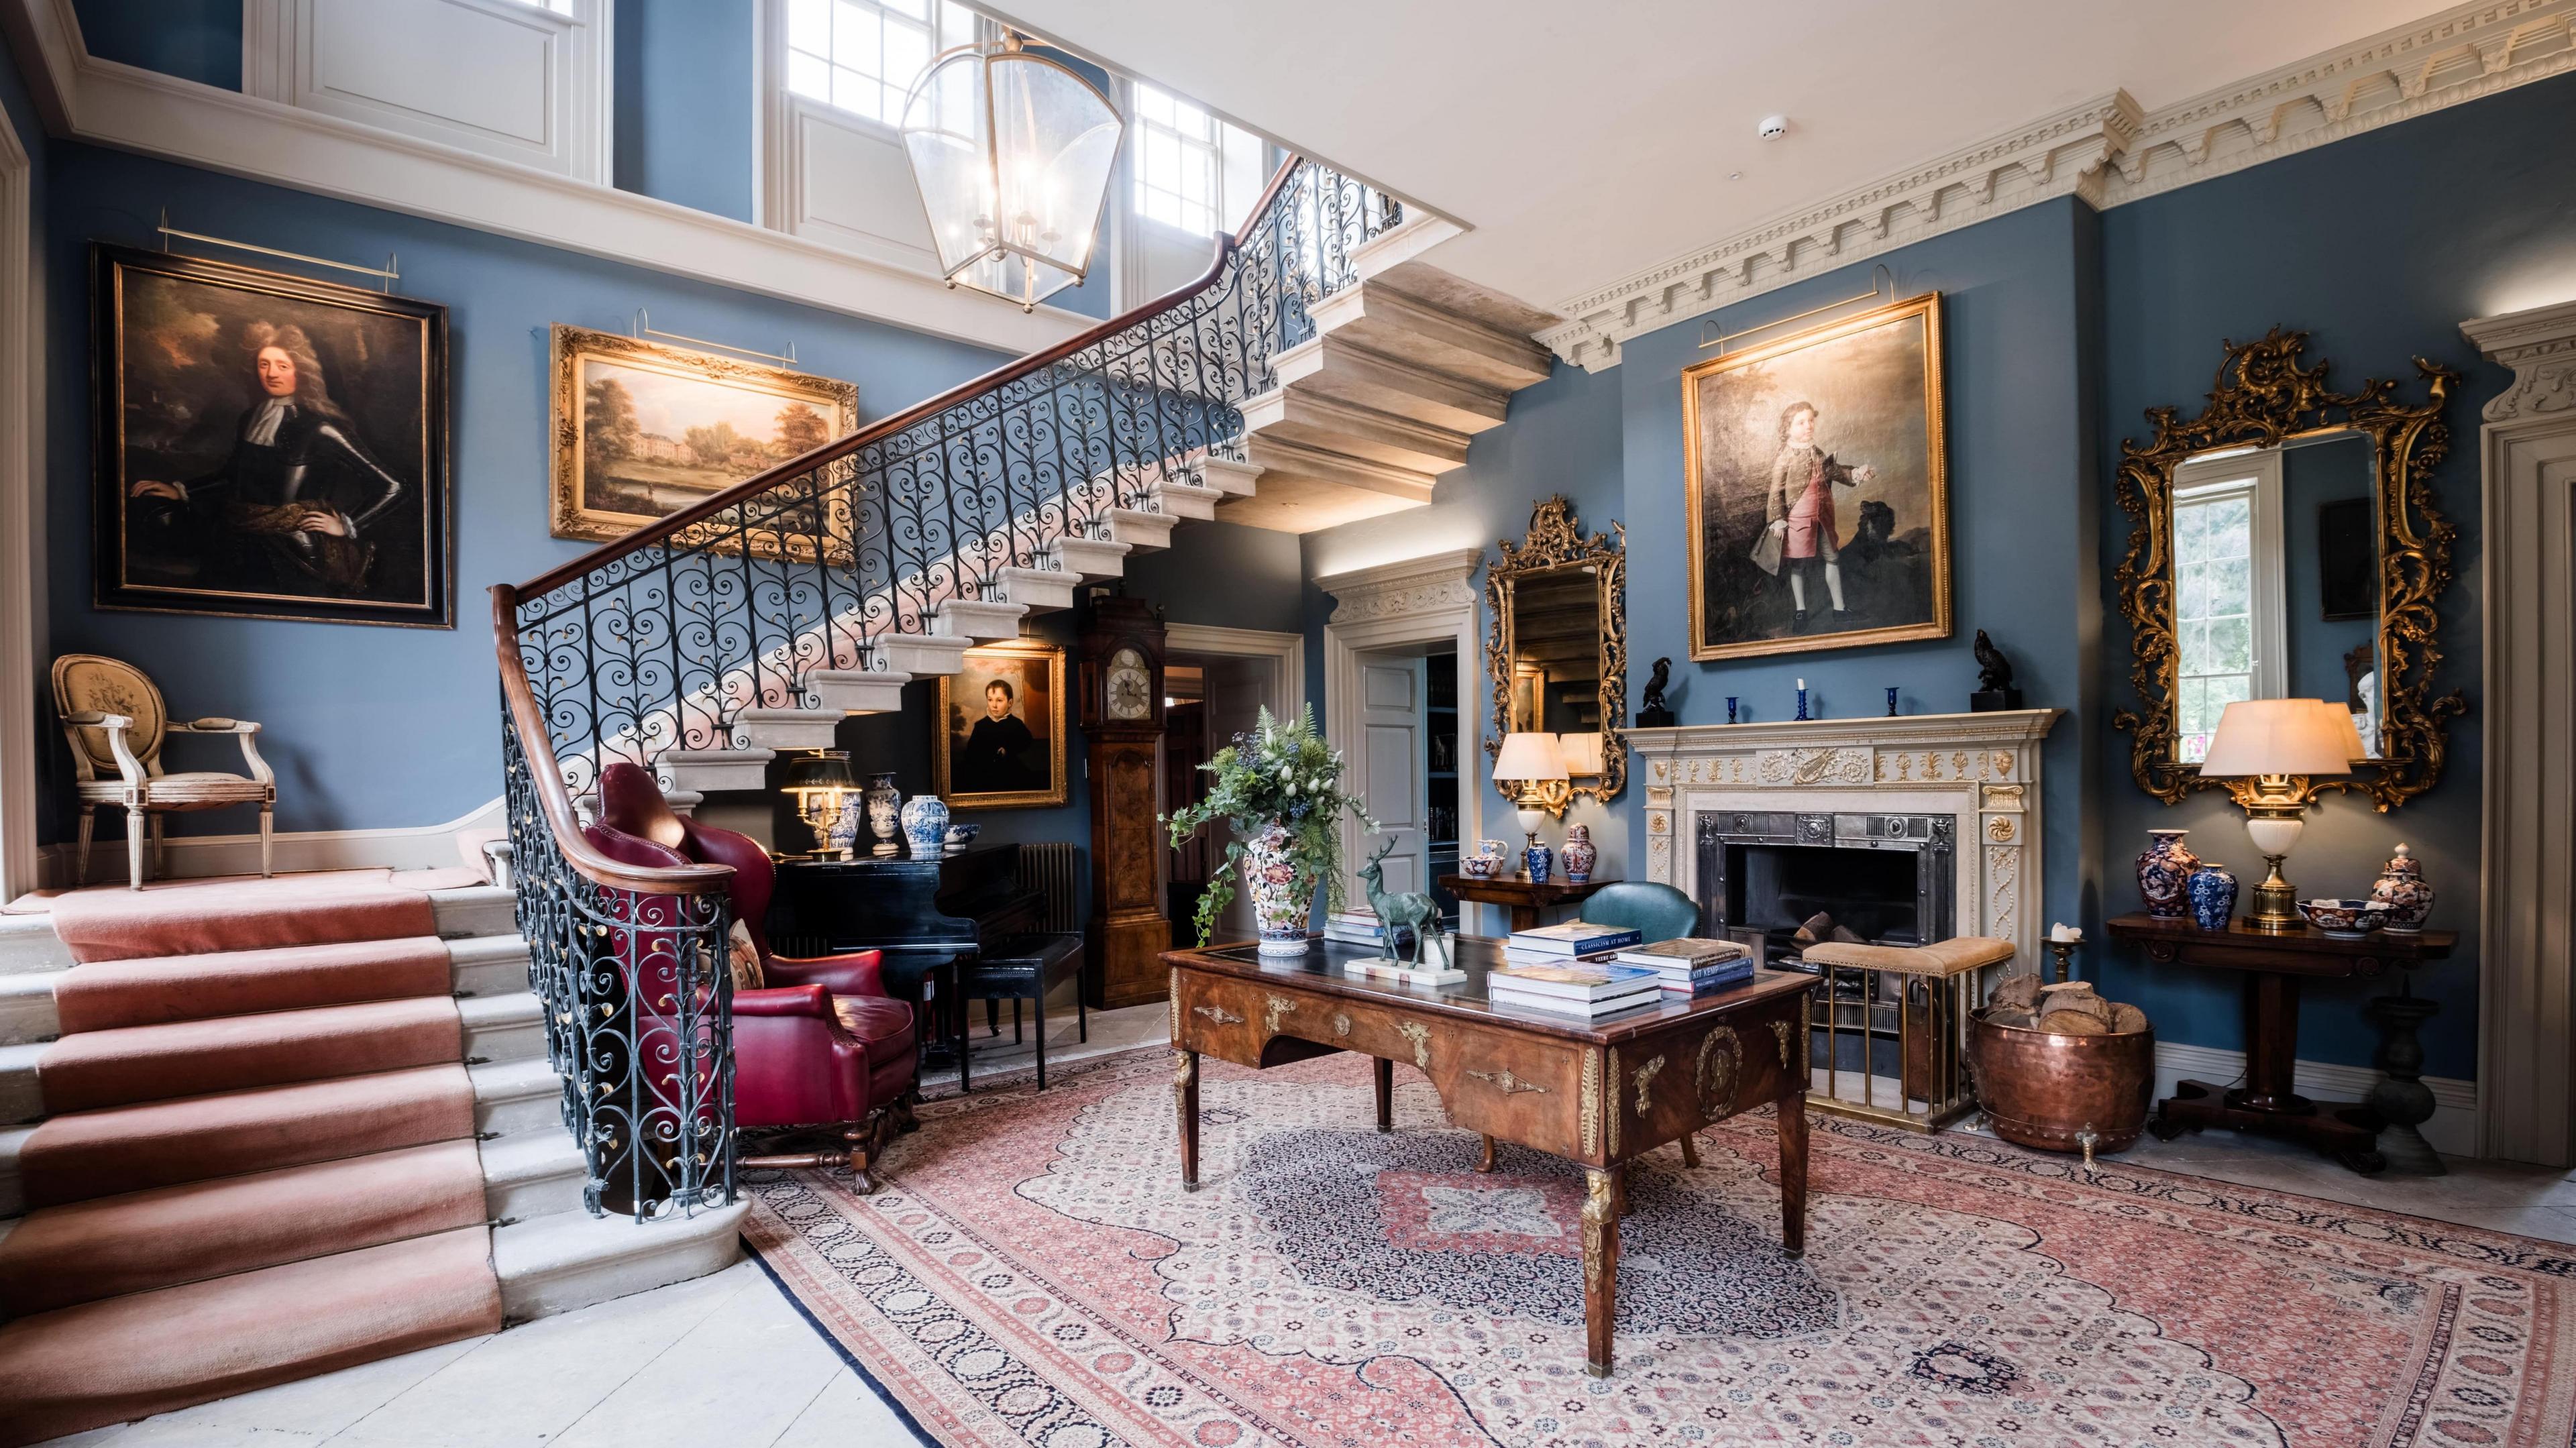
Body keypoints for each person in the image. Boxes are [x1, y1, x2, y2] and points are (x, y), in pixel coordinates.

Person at [127, 322, 409, 598]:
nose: (271, 373)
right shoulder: (251, 417)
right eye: (264, 364)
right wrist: (182, 491)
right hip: (236, 540)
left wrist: (347, 524)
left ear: (302, 371)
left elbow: (393, 486)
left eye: (282, 366)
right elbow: (232, 475)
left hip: (293, 551)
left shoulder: (321, 428)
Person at [1758, 400, 1877, 626]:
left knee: (1833, 558)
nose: (1808, 426)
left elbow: (1834, 470)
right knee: (1799, 564)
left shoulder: (1816, 451)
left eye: (1811, 421)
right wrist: (1777, 519)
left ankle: (1840, 609)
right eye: (1801, 422)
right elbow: (1776, 490)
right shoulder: (1785, 456)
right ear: (1788, 428)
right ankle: (1801, 610)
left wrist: (1857, 473)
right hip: (1798, 521)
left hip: (1823, 518)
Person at [957, 677, 1040, 793]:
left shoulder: (1016, 724)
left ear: (1010, 703)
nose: (994, 705)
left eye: (999, 700)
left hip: (1010, 770)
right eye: (990, 700)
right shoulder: (981, 726)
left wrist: (1008, 749)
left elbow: (1026, 742)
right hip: (984, 772)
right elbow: (971, 751)